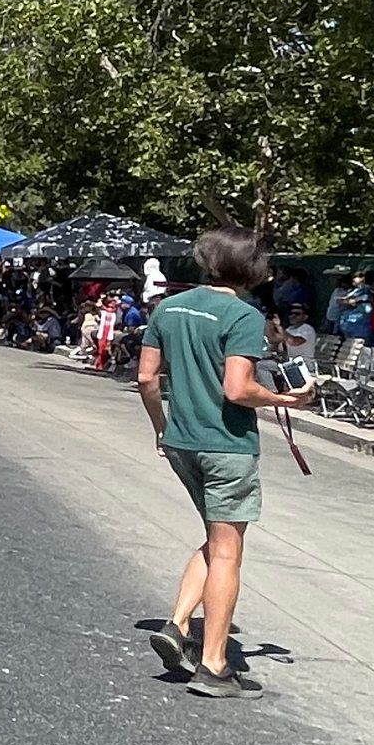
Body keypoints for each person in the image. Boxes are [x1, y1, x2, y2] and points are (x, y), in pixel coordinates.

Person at [137, 228, 317, 699]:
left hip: (181, 440)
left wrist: (161, 425)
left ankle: (177, 625)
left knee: (217, 540)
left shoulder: (167, 308)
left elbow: (146, 378)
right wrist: (287, 398)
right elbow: (237, 390)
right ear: (250, 270)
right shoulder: (243, 315)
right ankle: (214, 663)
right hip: (226, 445)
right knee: (228, 551)